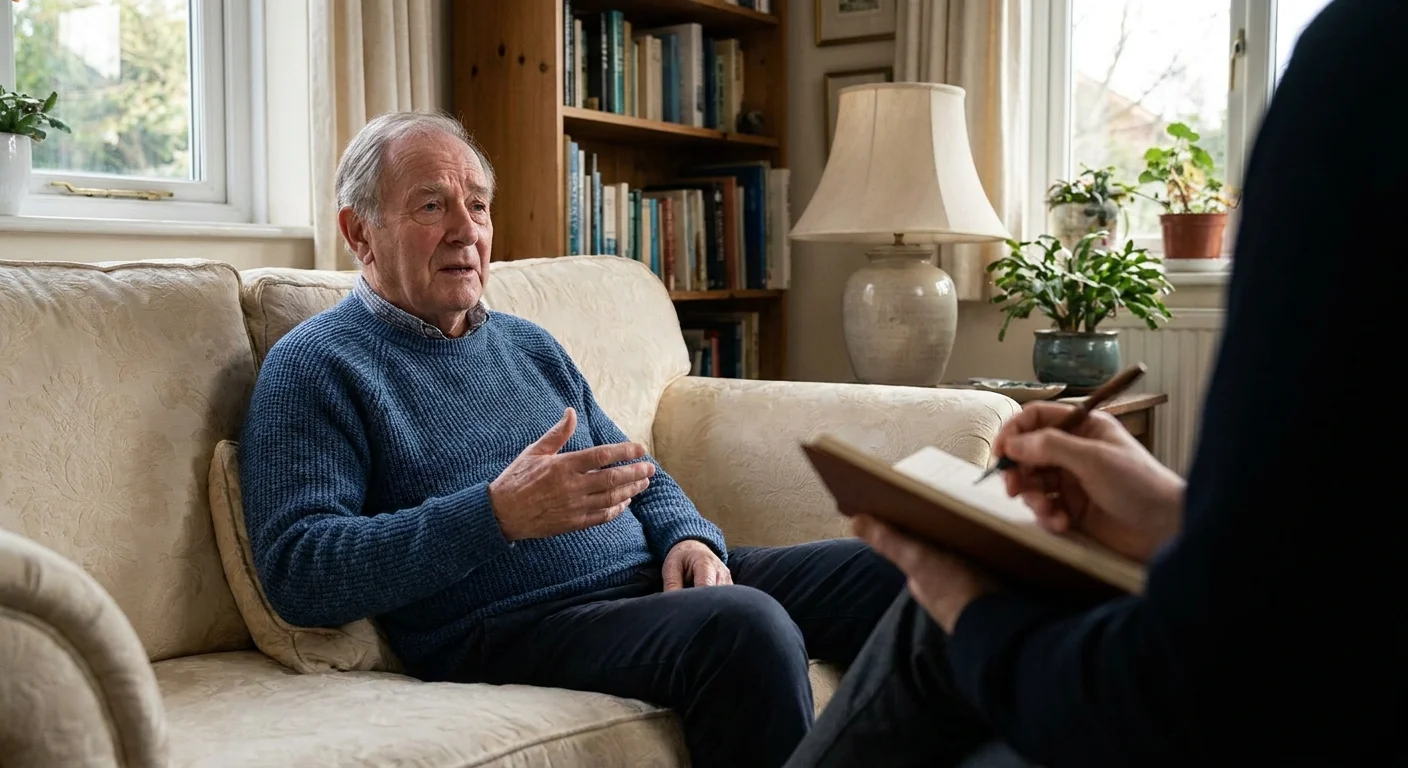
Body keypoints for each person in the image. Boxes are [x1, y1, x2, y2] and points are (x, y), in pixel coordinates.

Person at [783, 0, 1404, 765]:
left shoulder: (1368, 62)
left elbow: (1195, 690)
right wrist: (1174, 516)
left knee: (936, 628)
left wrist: (968, 607)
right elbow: (1334, 564)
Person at [238, 110, 903, 768]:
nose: (466, 231)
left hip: (643, 583)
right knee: (745, 628)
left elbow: (636, 469)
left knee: (905, 571)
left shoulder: (529, 344)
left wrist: (689, 539)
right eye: (431, 206)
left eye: (478, 205)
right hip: (510, 626)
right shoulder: (317, 364)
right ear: (360, 232)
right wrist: (495, 516)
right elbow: (301, 570)